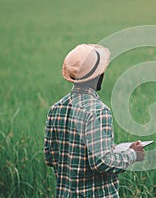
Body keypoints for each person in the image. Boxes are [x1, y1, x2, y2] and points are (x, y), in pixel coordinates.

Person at [44, 44, 144, 197]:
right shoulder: (98, 111)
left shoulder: (55, 109)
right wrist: (132, 154)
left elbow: (50, 157)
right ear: (98, 75)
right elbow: (102, 162)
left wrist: (114, 149)